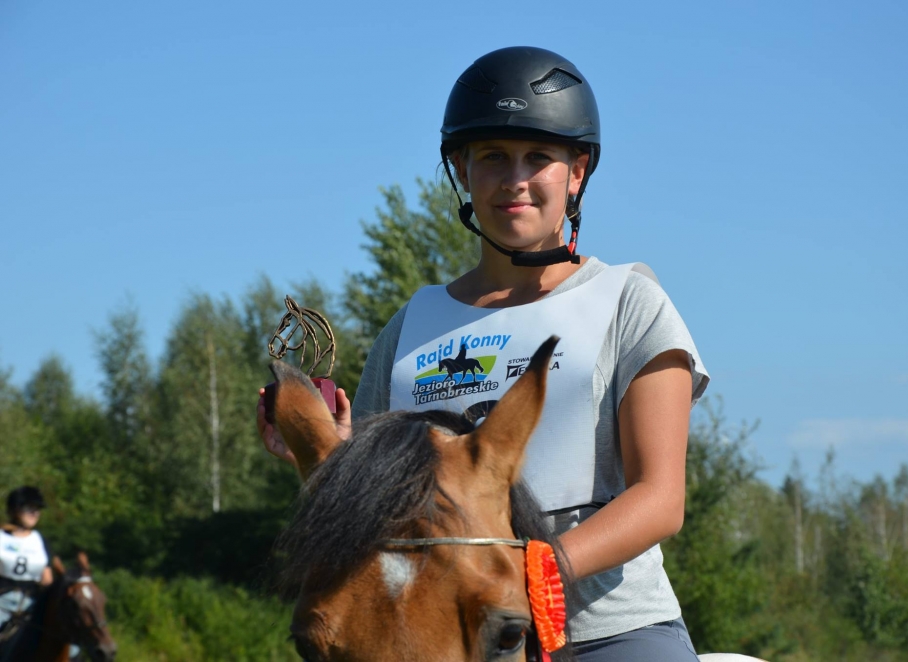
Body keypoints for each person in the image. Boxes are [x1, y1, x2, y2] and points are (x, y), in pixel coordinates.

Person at [259, 46, 709, 661]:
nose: (515, 178)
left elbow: (660, 498)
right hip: (444, 635)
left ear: (576, 172)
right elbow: (372, 521)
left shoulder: (631, 301)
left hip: (611, 630)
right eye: (493, 156)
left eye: (539, 157)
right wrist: (319, 455)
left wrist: (534, 574)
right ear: (462, 170)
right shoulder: (410, 328)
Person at [0, 486, 52, 645]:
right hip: (2, 601)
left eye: (37, 509)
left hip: (32, 604)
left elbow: (47, 580)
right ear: (14, 510)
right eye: (30, 508)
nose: (35, 513)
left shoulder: (40, 540)